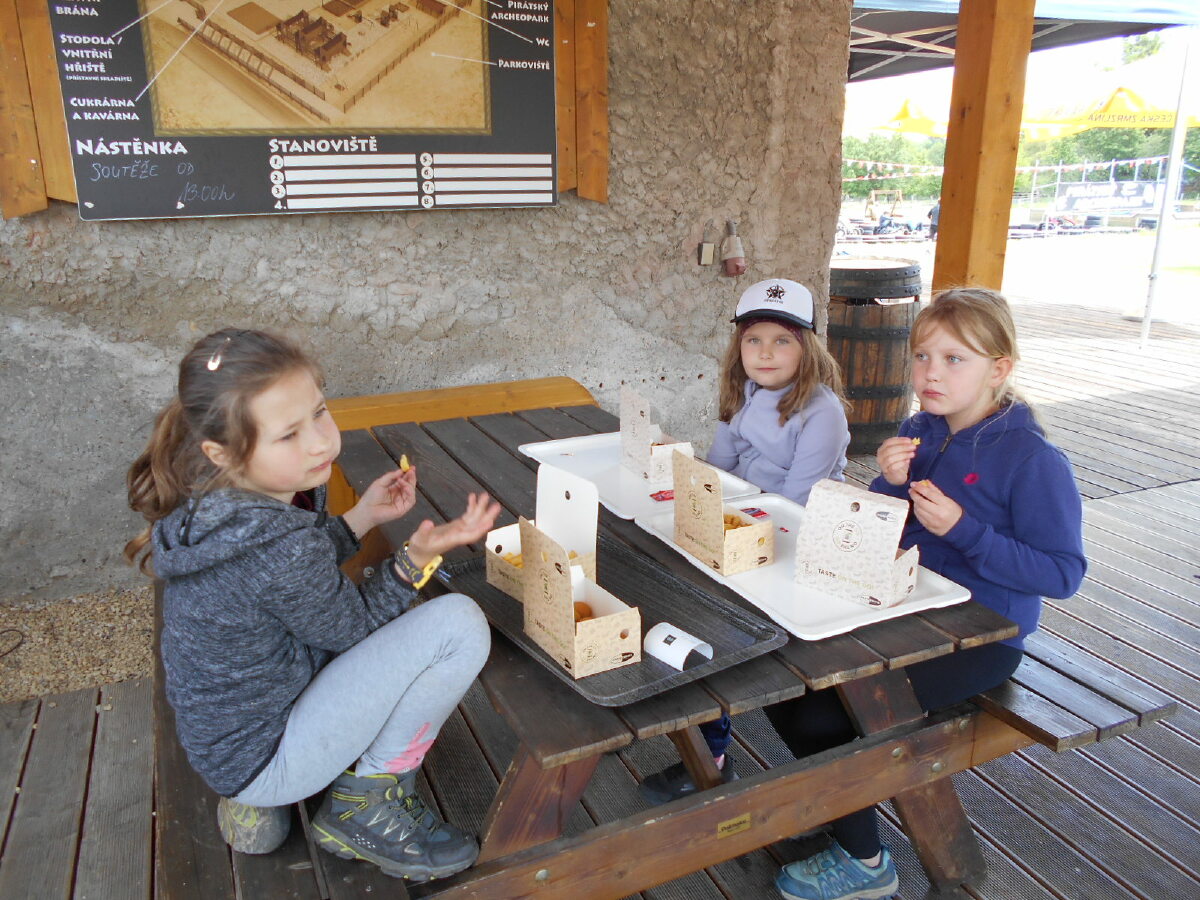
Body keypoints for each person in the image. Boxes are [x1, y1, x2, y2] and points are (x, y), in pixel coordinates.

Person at [124, 328, 501, 882]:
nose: (320, 442)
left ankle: (257, 803)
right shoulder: (277, 544)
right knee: (458, 624)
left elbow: (291, 576)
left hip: (225, 739)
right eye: (289, 435)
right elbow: (354, 628)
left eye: (320, 412)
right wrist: (414, 559)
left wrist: (362, 517)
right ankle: (363, 803)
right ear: (223, 451)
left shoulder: (217, 497)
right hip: (266, 754)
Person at [765, 287, 1086, 900]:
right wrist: (888, 484)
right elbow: (886, 525)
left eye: (954, 359)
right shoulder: (920, 429)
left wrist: (965, 531)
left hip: (983, 637)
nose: (930, 374)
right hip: (905, 606)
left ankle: (865, 862)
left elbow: (1063, 574)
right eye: (922, 357)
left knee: (827, 714)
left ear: (999, 368)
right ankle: (836, 806)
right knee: (782, 680)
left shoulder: (1033, 460)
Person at [639, 278, 851, 805]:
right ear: (739, 347)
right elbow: (720, 469)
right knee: (667, 582)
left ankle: (712, 751)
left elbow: (798, 502)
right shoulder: (744, 396)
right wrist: (683, 471)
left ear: (808, 347)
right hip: (746, 528)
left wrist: (724, 525)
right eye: (753, 339)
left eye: (782, 340)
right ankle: (700, 735)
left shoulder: (821, 411)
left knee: (711, 616)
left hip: (799, 542)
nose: (765, 352)